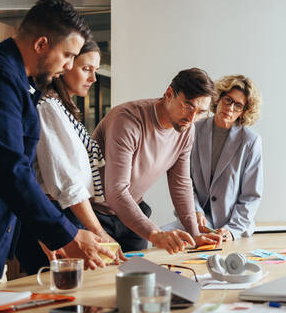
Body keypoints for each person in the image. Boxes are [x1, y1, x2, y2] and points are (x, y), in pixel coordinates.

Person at [0, 0, 113, 292]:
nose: (68, 66)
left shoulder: (16, 81)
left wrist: (46, 233)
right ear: (41, 44)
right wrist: (66, 236)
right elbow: (9, 168)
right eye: (67, 55)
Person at [15, 40, 126, 274]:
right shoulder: (47, 108)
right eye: (86, 69)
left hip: (66, 214)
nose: (93, 78)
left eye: (96, 70)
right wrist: (99, 231)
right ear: (66, 66)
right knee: (61, 298)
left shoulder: (62, 108)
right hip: (53, 214)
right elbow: (68, 182)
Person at [91, 68, 222, 254]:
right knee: (97, 281)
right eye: (188, 106)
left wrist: (194, 234)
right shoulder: (127, 120)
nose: (192, 119)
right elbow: (116, 191)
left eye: (201, 112)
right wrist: (155, 233)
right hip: (95, 215)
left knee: (137, 278)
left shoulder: (186, 129)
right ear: (169, 94)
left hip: (133, 213)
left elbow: (181, 184)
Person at [190, 75, 263, 240]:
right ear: (218, 98)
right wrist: (195, 211)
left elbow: (251, 196)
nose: (230, 108)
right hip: (197, 221)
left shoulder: (250, 142)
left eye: (238, 105)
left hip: (233, 226)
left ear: (244, 111)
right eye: (228, 100)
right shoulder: (193, 131)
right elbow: (185, 181)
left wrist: (232, 230)